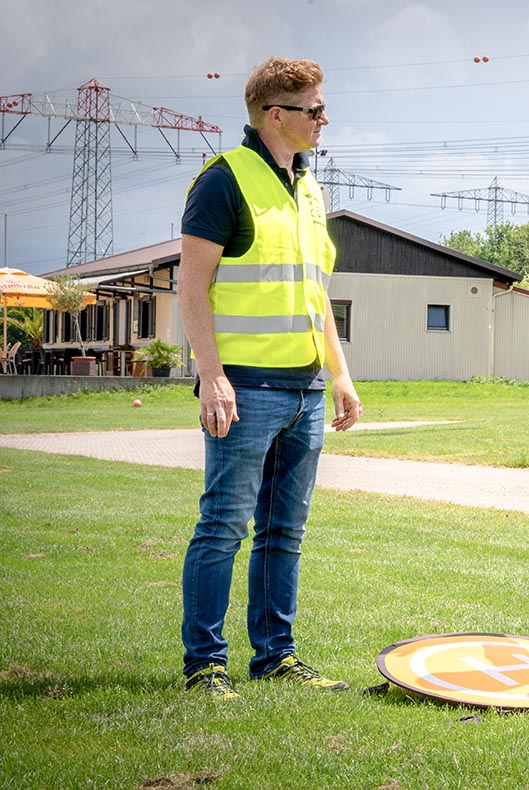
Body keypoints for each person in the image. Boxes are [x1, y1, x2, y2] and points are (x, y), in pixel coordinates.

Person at [177, 57, 362, 699]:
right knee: (224, 525)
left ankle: (276, 658)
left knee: (284, 531)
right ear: (275, 115)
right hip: (245, 389)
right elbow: (191, 287)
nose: (324, 119)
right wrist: (211, 376)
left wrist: (340, 376)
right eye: (314, 109)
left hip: (306, 391)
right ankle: (205, 664)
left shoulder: (308, 187)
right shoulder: (223, 180)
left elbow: (316, 295)